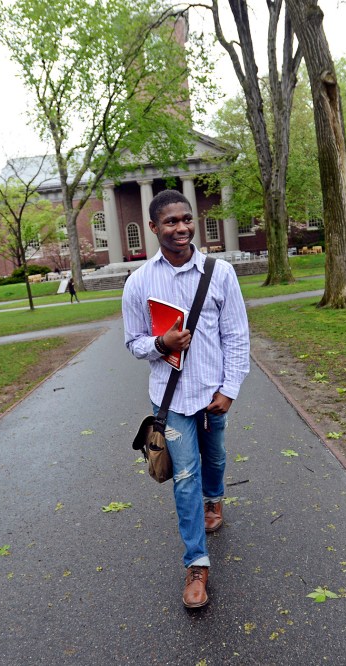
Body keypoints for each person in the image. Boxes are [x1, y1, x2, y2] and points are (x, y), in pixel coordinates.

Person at [122, 189, 250, 610]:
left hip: (212, 395)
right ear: (154, 228)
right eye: (170, 222)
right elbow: (134, 342)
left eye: (186, 219)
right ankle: (196, 564)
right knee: (185, 477)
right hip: (171, 400)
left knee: (214, 460)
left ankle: (216, 501)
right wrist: (162, 342)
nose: (181, 228)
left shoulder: (220, 273)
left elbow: (235, 336)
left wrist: (229, 389)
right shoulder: (139, 282)